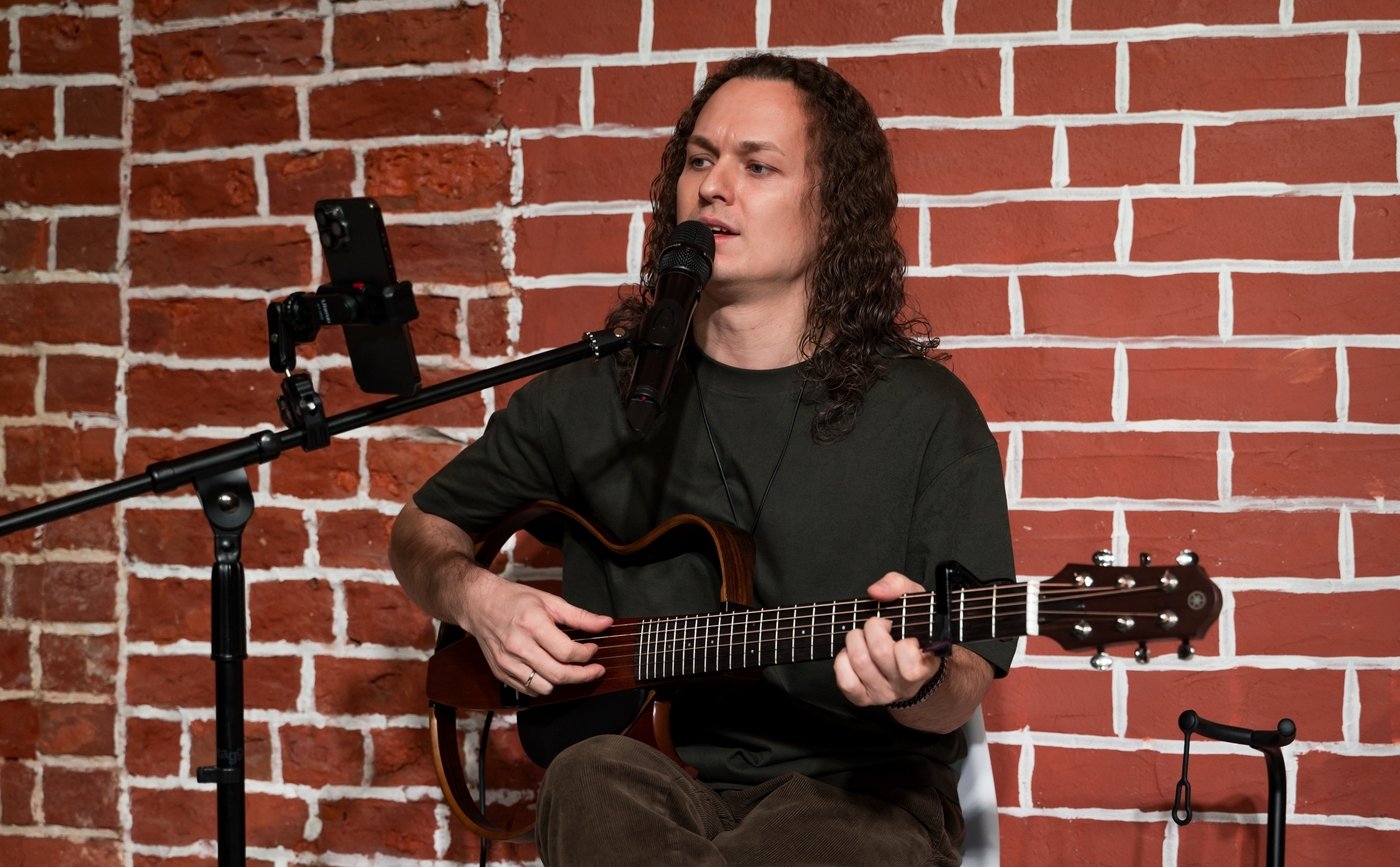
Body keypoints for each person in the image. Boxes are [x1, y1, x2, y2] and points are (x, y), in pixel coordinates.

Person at [390, 53, 1016, 866]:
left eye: (757, 165)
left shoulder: (925, 415)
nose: (714, 187)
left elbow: (965, 675)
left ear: (834, 208)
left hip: (857, 791)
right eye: (698, 160)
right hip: (652, 778)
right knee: (586, 775)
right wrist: (477, 598)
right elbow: (420, 531)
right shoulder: (596, 396)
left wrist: (918, 683)